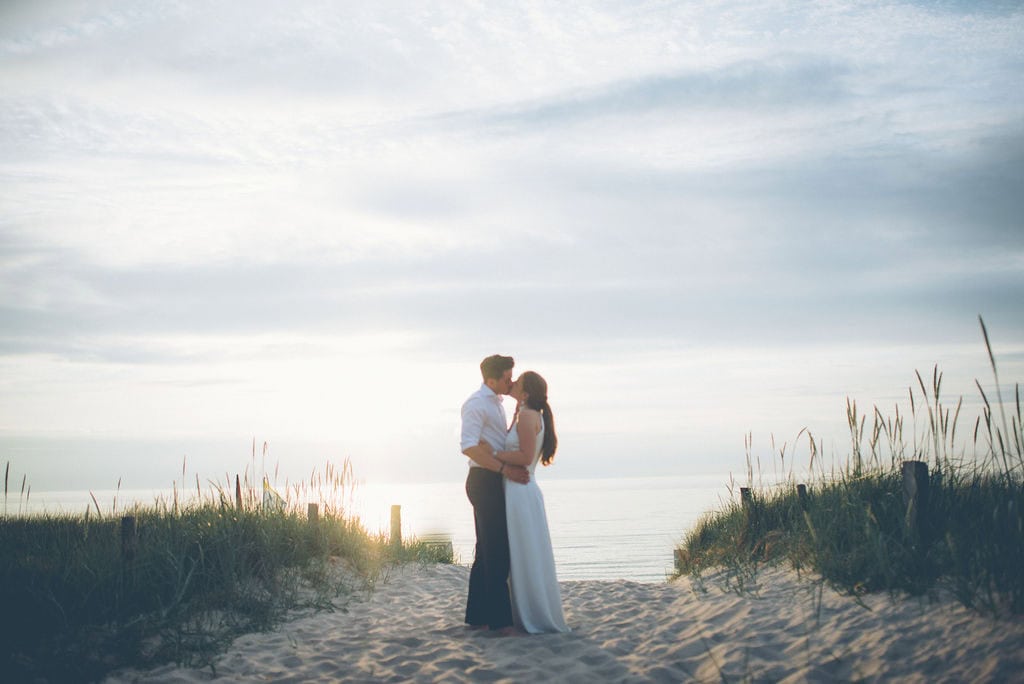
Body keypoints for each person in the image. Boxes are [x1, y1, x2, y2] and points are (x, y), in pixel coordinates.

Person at [486, 371, 569, 634]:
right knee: (526, 552)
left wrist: (493, 454)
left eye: (517, 382)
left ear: (525, 393)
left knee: (524, 553)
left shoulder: (527, 416)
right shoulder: (528, 414)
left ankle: (531, 614)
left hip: (520, 490)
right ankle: (526, 609)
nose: (511, 383)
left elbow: (524, 456)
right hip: (521, 490)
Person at [460, 354, 530, 633]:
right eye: (506, 377)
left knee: (485, 549)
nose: (510, 380)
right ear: (491, 379)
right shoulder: (476, 404)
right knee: (497, 550)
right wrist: (503, 469)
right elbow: (468, 446)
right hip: (483, 480)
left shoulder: (497, 404)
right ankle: (500, 622)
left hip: (492, 478)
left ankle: (477, 615)